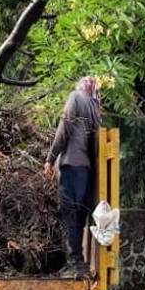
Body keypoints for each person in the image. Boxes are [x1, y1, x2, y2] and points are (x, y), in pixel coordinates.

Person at [43, 77, 101, 275]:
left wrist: (50, 159)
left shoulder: (75, 97)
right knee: (79, 215)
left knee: (70, 215)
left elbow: (64, 129)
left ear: (80, 86)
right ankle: (79, 262)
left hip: (71, 165)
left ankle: (75, 261)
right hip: (86, 170)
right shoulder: (94, 107)